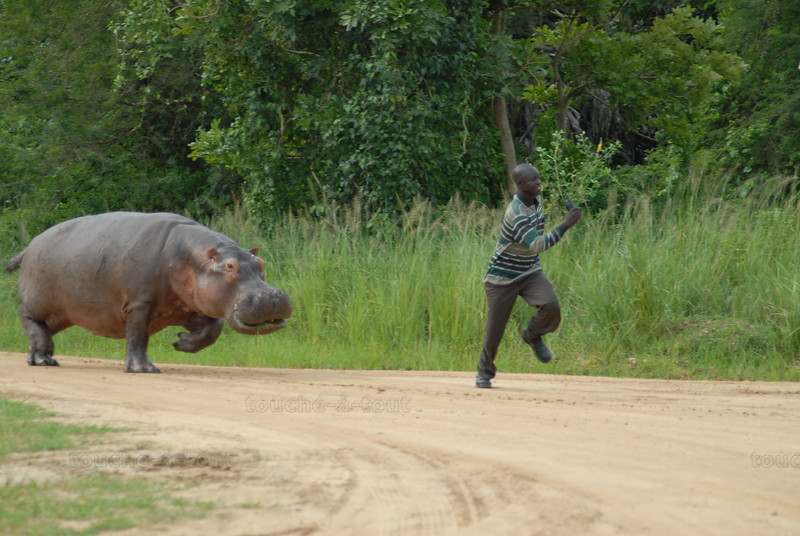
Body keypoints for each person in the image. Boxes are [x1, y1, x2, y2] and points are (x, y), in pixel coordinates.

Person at [476, 163, 582, 388]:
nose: (539, 183)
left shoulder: (536, 200)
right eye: (533, 180)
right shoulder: (515, 212)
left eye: (539, 178)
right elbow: (536, 244)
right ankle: (484, 373)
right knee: (495, 329)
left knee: (551, 304)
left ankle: (532, 335)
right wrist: (566, 225)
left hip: (529, 270)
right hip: (502, 277)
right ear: (520, 185)